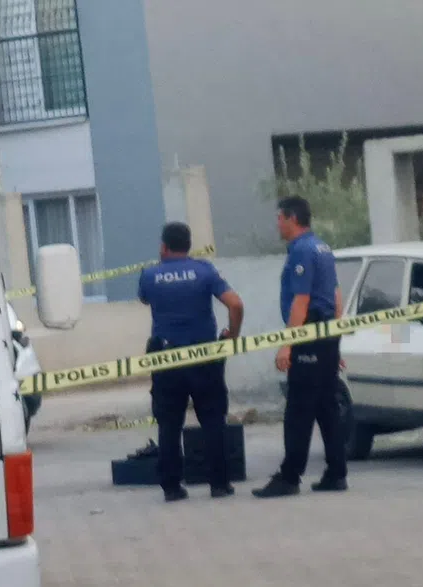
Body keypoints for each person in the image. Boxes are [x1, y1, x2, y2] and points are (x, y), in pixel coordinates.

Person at [139, 222, 245, 503]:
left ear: (164, 246)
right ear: (188, 245)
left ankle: (172, 487)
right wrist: (232, 335)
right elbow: (235, 304)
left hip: (166, 358)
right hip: (204, 357)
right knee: (212, 420)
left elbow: (145, 299)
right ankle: (219, 484)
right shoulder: (205, 270)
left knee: (169, 424)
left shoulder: (149, 275)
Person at [252, 196, 348, 498]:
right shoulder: (322, 247)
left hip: (308, 337)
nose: (277, 224)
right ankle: (336, 473)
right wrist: (334, 341)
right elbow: (336, 296)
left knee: (298, 409)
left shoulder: (302, 251)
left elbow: (301, 301)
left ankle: (289, 477)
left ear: (292, 218)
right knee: (327, 407)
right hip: (326, 336)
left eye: (279, 218)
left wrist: (287, 346)